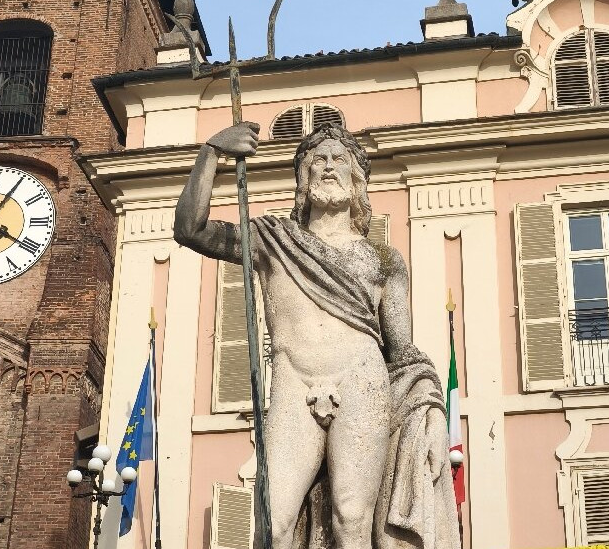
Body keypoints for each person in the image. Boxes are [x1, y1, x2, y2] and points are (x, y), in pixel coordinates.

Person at [174, 122, 460, 549]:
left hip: (361, 381)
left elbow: (402, 351)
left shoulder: (384, 260)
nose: (328, 166)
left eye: (339, 159)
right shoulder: (272, 240)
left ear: (356, 178)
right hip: (294, 380)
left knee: (352, 519)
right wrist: (212, 152)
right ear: (303, 178)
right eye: (317, 159)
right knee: (274, 521)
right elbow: (189, 230)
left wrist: (432, 412)